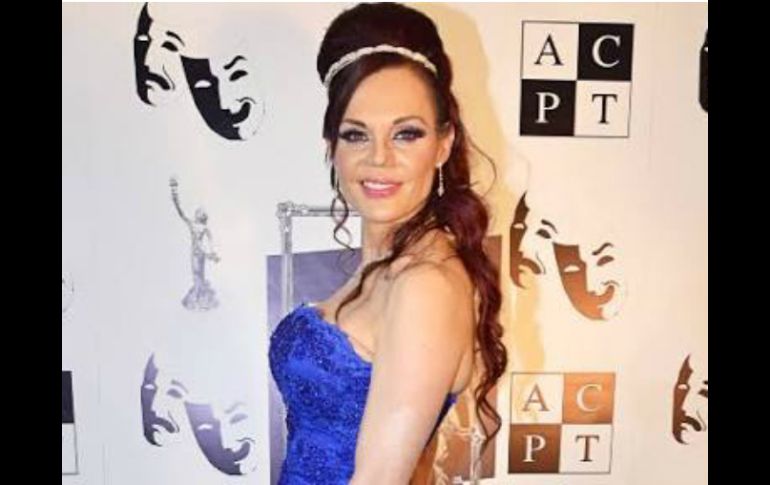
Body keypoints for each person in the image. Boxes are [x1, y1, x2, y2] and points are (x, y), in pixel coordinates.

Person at [268, 3, 507, 483]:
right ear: (331, 147)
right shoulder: (388, 267)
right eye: (356, 135)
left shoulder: (425, 284)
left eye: (406, 134)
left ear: (443, 144)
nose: (379, 158)